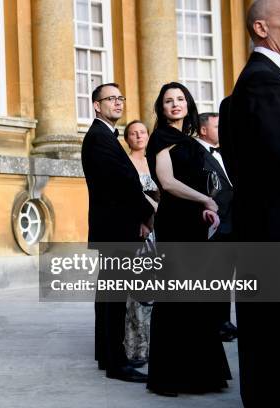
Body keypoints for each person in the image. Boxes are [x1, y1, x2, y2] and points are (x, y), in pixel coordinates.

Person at [222, 1, 280, 406]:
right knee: (274, 333)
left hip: (265, 231)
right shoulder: (263, 80)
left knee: (269, 332)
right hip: (275, 232)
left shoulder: (263, 80)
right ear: (261, 28)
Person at [145, 82, 231, 397]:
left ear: (188, 104)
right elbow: (166, 182)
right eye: (168, 100)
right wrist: (206, 201)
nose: (175, 104)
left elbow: (194, 182)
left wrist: (204, 208)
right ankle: (170, 377)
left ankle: (200, 376)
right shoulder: (162, 137)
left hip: (192, 223)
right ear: (161, 108)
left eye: (180, 99)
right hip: (175, 225)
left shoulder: (186, 139)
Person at [81, 83, 154, 383]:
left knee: (108, 297)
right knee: (113, 298)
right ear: (97, 105)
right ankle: (116, 363)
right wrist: (146, 213)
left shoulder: (105, 137)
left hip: (111, 227)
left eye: (121, 98)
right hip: (114, 228)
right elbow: (123, 182)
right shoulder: (98, 138)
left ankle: (106, 356)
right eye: (111, 99)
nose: (118, 103)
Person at [196, 112, 237, 342]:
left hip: (231, 223)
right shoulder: (197, 152)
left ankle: (223, 320)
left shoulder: (224, 153)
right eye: (217, 126)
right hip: (214, 222)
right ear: (203, 130)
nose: (221, 130)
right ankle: (214, 323)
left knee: (225, 278)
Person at [122, 120, 159, 367]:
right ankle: (137, 348)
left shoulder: (156, 161)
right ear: (127, 139)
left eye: (142, 132)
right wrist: (142, 222)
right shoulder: (125, 163)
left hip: (159, 231)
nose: (139, 136)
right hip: (140, 232)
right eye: (133, 133)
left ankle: (157, 344)